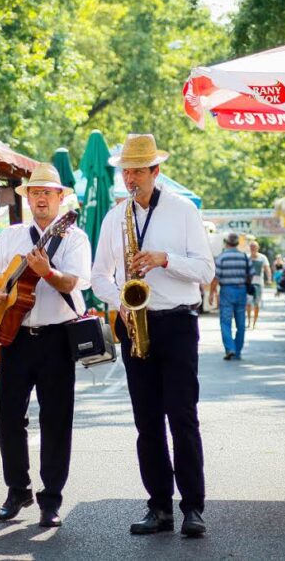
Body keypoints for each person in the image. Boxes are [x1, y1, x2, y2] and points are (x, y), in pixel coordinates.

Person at [92, 133, 215, 538]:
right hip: (135, 325)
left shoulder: (182, 212)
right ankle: (158, 507)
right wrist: (121, 302)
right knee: (147, 422)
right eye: (126, 171)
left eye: (138, 171)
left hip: (177, 323)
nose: (130, 179)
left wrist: (165, 260)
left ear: (155, 171)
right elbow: (98, 278)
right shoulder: (115, 217)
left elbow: (205, 271)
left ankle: (193, 507)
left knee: (183, 417)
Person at [0, 163, 92, 528]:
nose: (41, 198)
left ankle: (51, 498)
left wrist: (48, 273)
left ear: (60, 198)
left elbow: (75, 283)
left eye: (48, 193)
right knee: (8, 417)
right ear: (28, 199)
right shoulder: (10, 236)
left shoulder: (73, 238)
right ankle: (18, 490)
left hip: (57, 338)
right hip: (15, 337)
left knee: (56, 420)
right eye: (35, 193)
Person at [208, 232, 250, 360]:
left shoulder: (222, 258)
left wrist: (211, 293)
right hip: (241, 290)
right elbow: (250, 275)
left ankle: (230, 348)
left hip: (226, 290)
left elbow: (216, 278)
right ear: (237, 243)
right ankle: (237, 351)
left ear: (226, 243)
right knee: (241, 323)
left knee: (225, 322)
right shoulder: (244, 257)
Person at [246, 241, 272, 328]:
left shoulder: (262, 258)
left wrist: (269, 279)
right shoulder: (247, 257)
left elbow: (267, 269)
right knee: (248, 303)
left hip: (258, 284)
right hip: (248, 284)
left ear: (258, 248)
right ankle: (249, 321)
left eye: (254, 247)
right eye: (251, 247)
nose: (253, 248)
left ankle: (254, 322)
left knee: (256, 303)